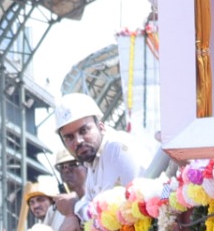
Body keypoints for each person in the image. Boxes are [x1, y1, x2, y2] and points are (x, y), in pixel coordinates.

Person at [49, 93, 168, 222]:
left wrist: (73, 208)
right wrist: (73, 215)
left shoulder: (116, 148)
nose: (78, 141)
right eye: (69, 137)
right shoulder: (92, 161)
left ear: (101, 127)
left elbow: (106, 213)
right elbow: (91, 204)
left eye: (83, 131)